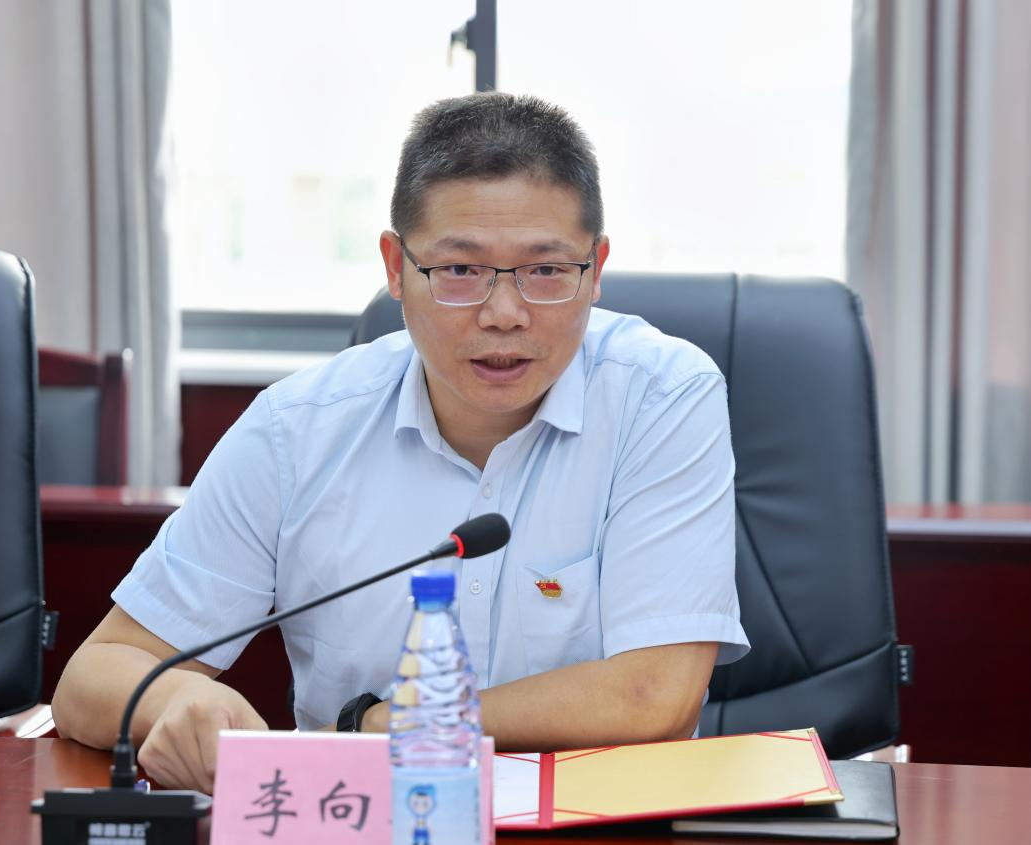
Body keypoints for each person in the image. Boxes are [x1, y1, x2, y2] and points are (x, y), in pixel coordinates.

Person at [52, 92, 749, 793]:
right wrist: (178, 701)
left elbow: (653, 696)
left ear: (595, 270)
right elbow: (93, 676)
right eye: (460, 271)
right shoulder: (297, 431)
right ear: (395, 266)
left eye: (545, 271)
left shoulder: (661, 398)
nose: (504, 313)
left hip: (598, 822)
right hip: (363, 822)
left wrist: (382, 725)